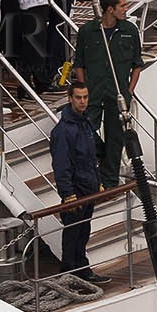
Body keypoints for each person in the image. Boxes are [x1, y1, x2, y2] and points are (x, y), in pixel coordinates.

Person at [72, 0, 143, 189]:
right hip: (93, 93)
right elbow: (79, 63)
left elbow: (137, 64)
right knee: (83, 129)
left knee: (116, 138)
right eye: (122, 6)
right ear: (110, 9)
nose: (126, 9)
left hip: (118, 94)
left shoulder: (130, 30)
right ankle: (100, 154)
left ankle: (109, 182)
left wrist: (129, 91)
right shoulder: (87, 31)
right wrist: (83, 89)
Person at [49, 82, 111, 285]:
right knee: (72, 233)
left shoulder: (85, 124)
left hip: (88, 187)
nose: (83, 101)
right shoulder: (63, 131)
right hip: (75, 191)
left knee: (83, 232)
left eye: (85, 97)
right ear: (70, 98)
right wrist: (68, 194)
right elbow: (61, 164)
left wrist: (97, 182)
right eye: (78, 97)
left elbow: (91, 157)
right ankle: (69, 272)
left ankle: (81, 269)